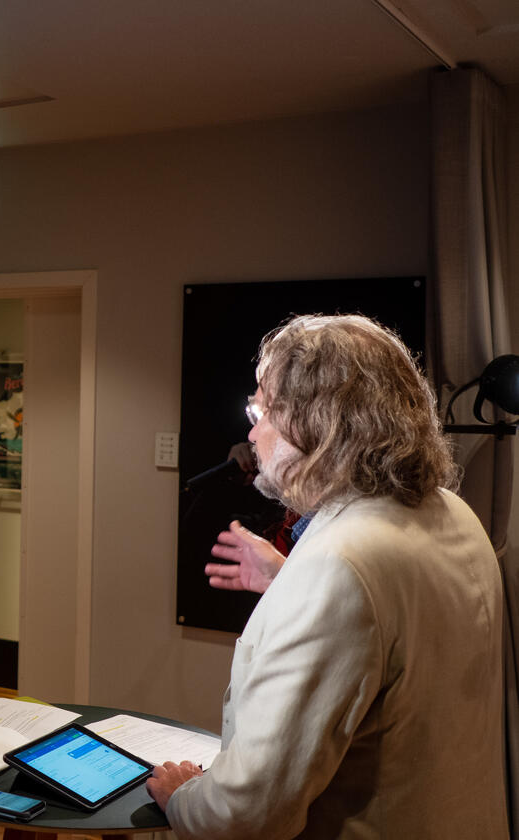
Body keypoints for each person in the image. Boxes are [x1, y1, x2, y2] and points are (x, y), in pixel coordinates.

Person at [147, 314, 506, 840]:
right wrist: (290, 579)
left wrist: (182, 797)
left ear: (313, 423)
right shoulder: (452, 513)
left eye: (261, 408)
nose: (251, 431)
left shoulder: (339, 566)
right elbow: (392, 635)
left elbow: (245, 814)